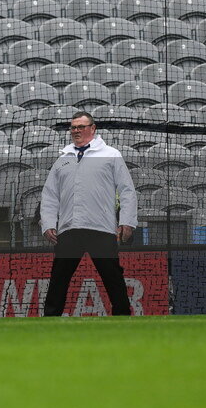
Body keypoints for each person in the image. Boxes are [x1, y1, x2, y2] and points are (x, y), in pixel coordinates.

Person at [39, 112, 137, 316]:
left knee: (112, 276)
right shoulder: (62, 159)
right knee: (59, 277)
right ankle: (49, 320)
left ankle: (123, 317)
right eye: (73, 127)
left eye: (81, 127)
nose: (76, 131)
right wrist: (48, 223)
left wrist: (127, 222)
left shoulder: (111, 154)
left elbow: (127, 190)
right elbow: (49, 194)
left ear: (93, 129)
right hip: (68, 229)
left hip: (101, 228)